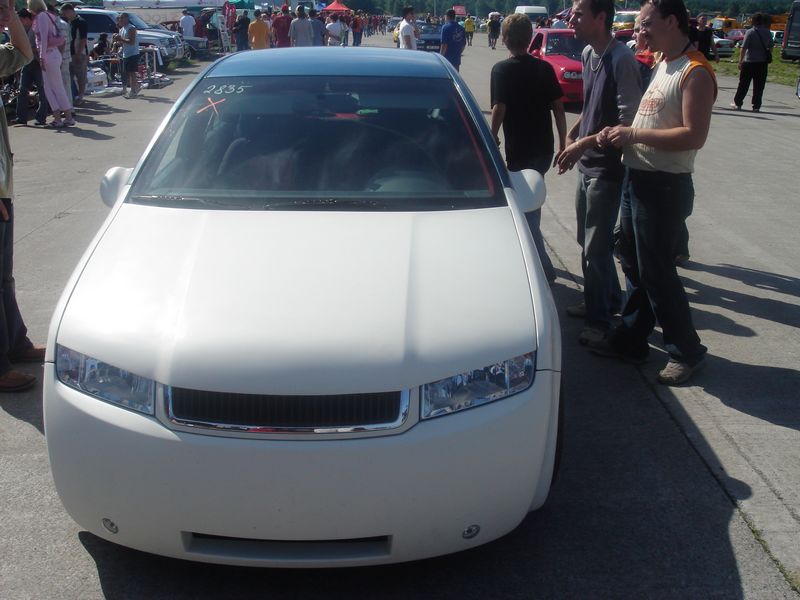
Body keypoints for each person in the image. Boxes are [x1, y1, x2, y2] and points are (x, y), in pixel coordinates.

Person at [591, 0, 716, 386]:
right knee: (631, 259)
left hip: (663, 186)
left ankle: (686, 351)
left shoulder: (695, 71)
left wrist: (633, 134)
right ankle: (631, 339)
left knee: (657, 271)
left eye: (646, 24)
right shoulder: (663, 63)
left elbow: (694, 135)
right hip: (638, 178)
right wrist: (619, 135)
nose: (639, 31)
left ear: (672, 21)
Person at [555, 0, 642, 345]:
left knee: (596, 247)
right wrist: (572, 136)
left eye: (578, 13)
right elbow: (591, 107)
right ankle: (606, 299)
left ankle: (599, 321)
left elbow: (628, 123)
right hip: (587, 162)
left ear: (601, 17)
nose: (571, 19)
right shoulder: (589, 53)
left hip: (607, 169)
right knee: (588, 241)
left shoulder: (621, 59)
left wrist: (583, 144)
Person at [491, 12, 566, 284]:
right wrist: (563, 142)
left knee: (527, 207)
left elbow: (499, 108)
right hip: (544, 148)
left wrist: (491, 137)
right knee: (531, 201)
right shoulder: (544, 69)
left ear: (505, 39)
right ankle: (537, 261)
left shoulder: (501, 70)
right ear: (530, 38)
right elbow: (558, 108)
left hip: (519, 149)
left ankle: (543, 268)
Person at [0, 0, 47, 392]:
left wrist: (12, 15)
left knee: (4, 276)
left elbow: (23, 53)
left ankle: (15, 344)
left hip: (3, 185)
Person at [29, 0, 74, 125]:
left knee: (55, 87)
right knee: (50, 88)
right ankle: (61, 117)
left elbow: (43, 38)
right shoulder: (46, 16)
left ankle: (66, 117)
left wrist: (41, 57)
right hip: (51, 54)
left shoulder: (42, 16)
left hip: (49, 55)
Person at [12, 8, 48, 126]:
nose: (19, 22)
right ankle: (21, 117)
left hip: (38, 63)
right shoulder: (21, 30)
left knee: (42, 91)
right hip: (26, 63)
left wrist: (27, 49)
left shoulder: (36, 28)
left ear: (27, 19)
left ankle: (41, 117)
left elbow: (41, 46)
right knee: (22, 90)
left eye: (21, 19)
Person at [732, 13, 773, 113]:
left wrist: (740, 61)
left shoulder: (750, 32)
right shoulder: (767, 32)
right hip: (762, 63)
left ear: (753, 21)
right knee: (759, 86)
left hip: (749, 61)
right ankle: (756, 106)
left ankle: (738, 103)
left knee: (743, 84)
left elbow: (744, 48)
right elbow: (771, 46)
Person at [60, 3, 87, 105]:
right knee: (69, 77)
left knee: (81, 77)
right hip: (68, 54)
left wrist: (79, 54)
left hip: (79, 53)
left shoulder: (81, 22)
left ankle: (80, 96)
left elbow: (83, 39)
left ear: (70, 11)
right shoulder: (68, 22)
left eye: (64, 13)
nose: (64, 16)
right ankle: (70, 98)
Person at [117, 12, 140, 99]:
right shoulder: (122, 29)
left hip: (132, 53)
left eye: (122, 18)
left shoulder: (131, 28)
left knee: (132, 73)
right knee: (127, 72)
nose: (120, 20)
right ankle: (136, 87)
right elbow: (122, 42)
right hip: (125, 53)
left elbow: (131, 42)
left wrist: (121, 39)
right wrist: (117, 41)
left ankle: (133, 91)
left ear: (127, 19)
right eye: (119, 18)